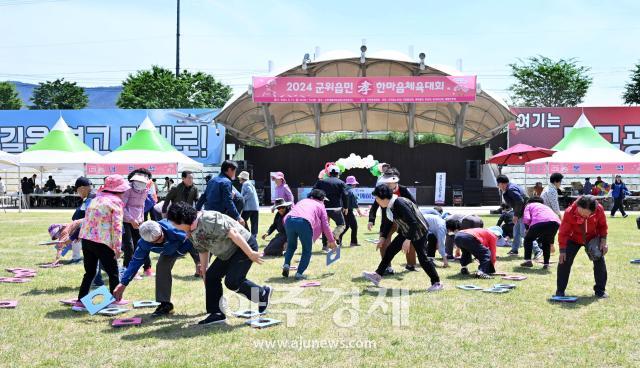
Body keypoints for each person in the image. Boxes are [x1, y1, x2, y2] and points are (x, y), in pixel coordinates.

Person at [168, 202, 272, 326]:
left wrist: (250, 253)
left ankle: (262, 294)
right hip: (226, 252)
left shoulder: (208, 220)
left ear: (183, 220)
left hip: (243, 245)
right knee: (211, 277)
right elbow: (203, 250)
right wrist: (205, 270)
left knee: (232, 282)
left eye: (175, 223)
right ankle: (216, 313)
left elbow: (233, 234)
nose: (174, 226)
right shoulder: (190, 231)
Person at [362, 184, 443, 292]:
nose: (376, 201)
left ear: (384, 198)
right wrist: (383, 237)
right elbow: (389, 223)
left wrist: (408, 240)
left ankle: (437, 283)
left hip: (419, 231)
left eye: (377, 198)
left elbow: (413, 222)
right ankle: (377, 275)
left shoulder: (399, 203)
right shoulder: (390, 205)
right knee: (390, 250)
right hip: (406, 231)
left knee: (423, 259)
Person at [72, 175, 130, 311]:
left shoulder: (95, 199)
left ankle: (80, 302)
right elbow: (117, 227)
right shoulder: (116, 202)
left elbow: (87, 220)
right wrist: (117, 248)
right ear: (119, 190)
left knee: (90, 272)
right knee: (113, 272)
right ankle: (115, 300)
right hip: (102, 241)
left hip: (87, 239)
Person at [113, 218, 192, 317]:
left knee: (204, 270)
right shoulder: (144, 243)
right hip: (168, 251)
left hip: (191, 242)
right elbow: (136, 262)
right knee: (161, 267)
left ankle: (213, 303)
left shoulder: (174, 228)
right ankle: (165, 304)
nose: (160, 242)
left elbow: (191, 240)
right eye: (156, 242)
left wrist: (197, 262)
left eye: (160, 238)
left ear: (161, 229)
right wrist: (123, 283)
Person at [555, 195, 609, 298]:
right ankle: (560, 291)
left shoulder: (599, 209)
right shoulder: (569, 212)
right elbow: (563, 232)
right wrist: (562, 250)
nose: (584, 216)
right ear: (578, 206)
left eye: (587, 214)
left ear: (593, 211)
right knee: (564, 261)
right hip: (573, 238)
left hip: (592, 238)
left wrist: (603, 241)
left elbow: (602, 225)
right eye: (581, 213)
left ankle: (600, 291)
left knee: (599, 261)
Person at [368, 168, 418, 273]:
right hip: (387, 221)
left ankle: (411, 265)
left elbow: (414, 204)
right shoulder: (382, 191)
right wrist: (371, 220)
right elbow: (374, 206)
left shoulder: (404, 190)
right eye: (386, 181)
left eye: (390, 181)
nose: (388, 183)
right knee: (383, 241)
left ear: (396, 181)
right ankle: (387, 267)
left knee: (410, 240)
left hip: (403, 221)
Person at [282, 189, 337, 280]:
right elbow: (325, 225)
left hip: (289, 220)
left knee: (291, 246)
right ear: (321, 199)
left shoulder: (302, 201)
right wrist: (331, 240)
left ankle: (286, 264)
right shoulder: (320, 205)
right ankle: (299, 273)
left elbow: (292, 212)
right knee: (307, 250)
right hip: (304, 222)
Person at [161, 170, 201, 275]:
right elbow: (167, 200)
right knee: (177, 240)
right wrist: (164, 212)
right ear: (183, 179)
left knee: (190, 240)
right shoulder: (175, 188)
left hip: (188, 218)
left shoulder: (195, 188)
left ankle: (198, 265)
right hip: (176, 219)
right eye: (189, 178)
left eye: (192, 178)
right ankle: (166, 265)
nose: (191, 180)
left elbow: (197, 201)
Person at [496, 174, 542, 258]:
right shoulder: (510, 188)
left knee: (524, 232)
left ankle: (537, 250)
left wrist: (516, 215)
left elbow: (519, 202)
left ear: (502, 184)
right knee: (516, 231)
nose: (498, 186)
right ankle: (514, 250)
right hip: (520, 211)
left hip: (524, 212)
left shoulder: (511, 189)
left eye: (498, 184)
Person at [121, 170, 153, 278]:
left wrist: (141, 220)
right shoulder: (127, 189)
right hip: (126, 220)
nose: (141, 185)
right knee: (129, 245)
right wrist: (131, 219)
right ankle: (127, 270)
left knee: (141, 244)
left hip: (138, 220)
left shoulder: (145, 190)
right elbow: (122, 206)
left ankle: (145, 268)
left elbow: (142, 206)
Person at [196, 160, 245, 226]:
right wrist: (238, 217)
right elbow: (228, 201)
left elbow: (203, 197)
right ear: (230, 170)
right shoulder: (226, 182)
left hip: (207, 215)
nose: (235, 173)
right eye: (235, 171)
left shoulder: (212, 180)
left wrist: (196, 210)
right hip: (218, 217)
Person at [313, 165, 348, 250]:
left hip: (323, 208)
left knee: (325, 226)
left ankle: (325, 246)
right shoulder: (341, 182)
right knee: (342, 225)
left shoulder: (321, 182)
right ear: (338, 173)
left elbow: (313, 191)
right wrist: (346, 207)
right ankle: (332, 237)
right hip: (336, 208)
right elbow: (345, 195)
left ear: (328, 173)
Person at [520, 198, 561, 269]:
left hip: (539, 222)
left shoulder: (529, 205)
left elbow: (526, 218)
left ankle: (528, 261)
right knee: (546, 243)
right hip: (555, 222)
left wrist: (527, 229)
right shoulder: (545, 206)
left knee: (528, 239)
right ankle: (546, 264)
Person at [340, 175, 364, 247]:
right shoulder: (351, 192)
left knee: (346, 226)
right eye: (355, 183)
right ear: (353, 184)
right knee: (354, 227)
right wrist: (360, 213)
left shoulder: (343, 190)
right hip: (349, 211)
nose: (356, 185)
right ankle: (353, 242)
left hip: (342, 210)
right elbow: (355, 204)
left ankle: (338, 240)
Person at [238, 171, 259, 236]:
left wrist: (242, 199)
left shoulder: (245, 184)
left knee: (242, 220)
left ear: (242, 178)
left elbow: (250, 192)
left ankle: (247, 234)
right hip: (255, 207)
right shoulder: (250, 183)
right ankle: (253, 236)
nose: (239, 179)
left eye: (240, 178)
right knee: (254, 223)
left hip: (248, 207)